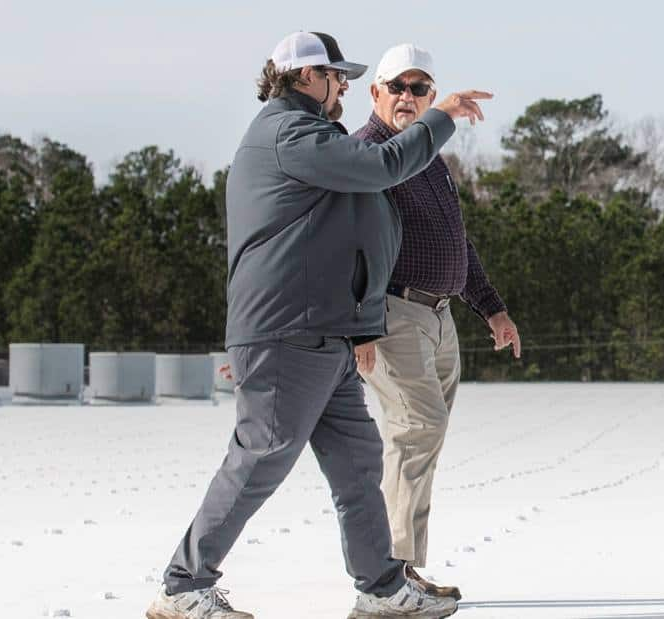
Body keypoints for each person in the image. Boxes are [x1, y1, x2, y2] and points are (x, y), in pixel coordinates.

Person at [147, 30, 490, 619]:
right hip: (288, 332)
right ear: (306, 77)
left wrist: (358, 327)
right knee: (261, 456)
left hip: (322, 334)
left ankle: (381, 587)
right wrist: (440, 117)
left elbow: (349, 238)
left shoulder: (308, 137)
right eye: (337, 76)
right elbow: (384, 164)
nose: (345, 87)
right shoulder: (290, 134)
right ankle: (184, 584)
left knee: (358, 462)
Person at [349, 43, 523, 602]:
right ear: (374, 92)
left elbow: (456, 242)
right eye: (396, 86)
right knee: (416, 429)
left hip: (439, 316)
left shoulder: (430, 158)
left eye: (418, 88)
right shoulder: (367, 153)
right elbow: (345, 246)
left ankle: (402, 568)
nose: (407, 97)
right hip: (391, 314)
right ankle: (388, 576)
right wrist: (361, 322)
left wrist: (492, 308)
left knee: (424, 437)